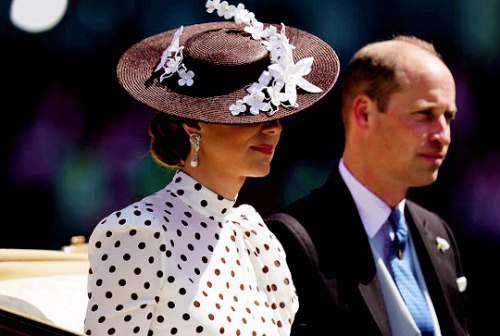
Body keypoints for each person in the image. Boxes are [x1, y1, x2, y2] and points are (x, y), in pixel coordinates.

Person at [83, 1, 340, 336]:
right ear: (194, 126)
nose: (273, 128)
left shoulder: (256, 236)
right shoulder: (139, 232)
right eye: (250, 115)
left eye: (275, 114)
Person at [266, 35, 468, 335]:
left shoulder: (437, 233)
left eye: (448, 116)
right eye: (424, 114)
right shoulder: (292, 240)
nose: (443, 135)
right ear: (364, 113)